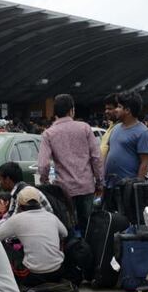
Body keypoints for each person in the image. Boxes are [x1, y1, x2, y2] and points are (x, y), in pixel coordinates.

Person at [37, 94, 102, 231]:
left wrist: (45, 182)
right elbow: (96, 157)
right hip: (87, 187)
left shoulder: (49, 134)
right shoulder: (85, 128)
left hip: (64, 190)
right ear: (71, 110)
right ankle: (91, 250)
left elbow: (43, 165)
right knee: (89, 226)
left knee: (69, 228)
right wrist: (99, 181)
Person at [0, 187, 68, 286]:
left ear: (19, 204)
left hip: (33, 275)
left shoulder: (16, 219)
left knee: (1, 244)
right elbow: (65, 233)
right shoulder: (51, 216)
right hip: (58, 272)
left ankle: (6, 280)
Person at [103, 91, 148, 207]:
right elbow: (110, 152)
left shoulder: (143, 133)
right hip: (110, 186)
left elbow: (144, 164)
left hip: (127, 190)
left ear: (128, 110)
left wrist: (136, 191)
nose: (116, 109)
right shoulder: (115, 129)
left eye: (119, 107)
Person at [99, 93, 120, 160]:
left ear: (119, 108)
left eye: (110, 109)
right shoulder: (112, 126)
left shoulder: (122, 128)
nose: (106, 111)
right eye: (106, 109)